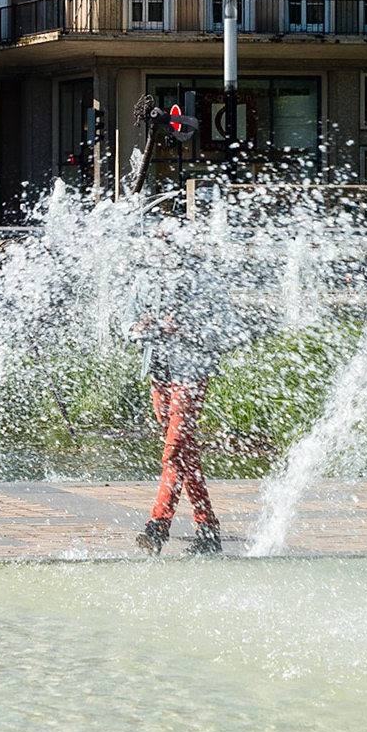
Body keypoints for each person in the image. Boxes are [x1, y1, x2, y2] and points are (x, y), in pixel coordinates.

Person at [128, 229, 249, 556]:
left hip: (192, 373)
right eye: (159, 243)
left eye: (170, 243)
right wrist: (137, 329)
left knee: (174, 449)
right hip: (159, 372)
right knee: (184, 452)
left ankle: (157, 526)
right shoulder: (146, 280)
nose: (163, 250)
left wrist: (190, 330)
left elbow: (234, 331)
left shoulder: (206, 282)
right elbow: (125, 324)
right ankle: (207, 528)